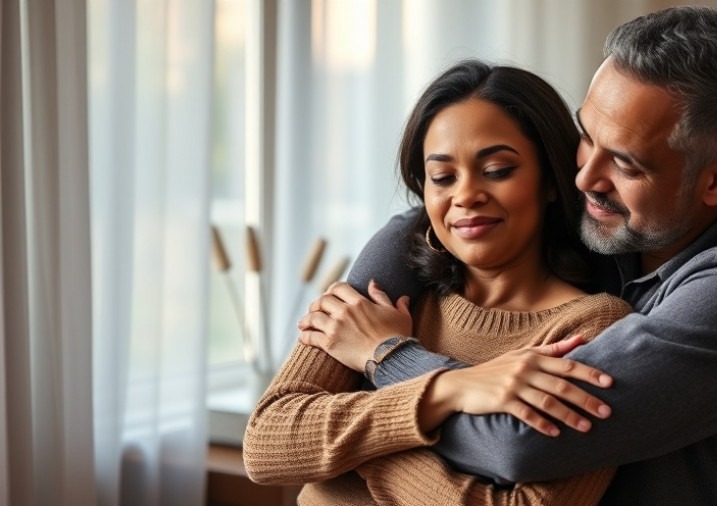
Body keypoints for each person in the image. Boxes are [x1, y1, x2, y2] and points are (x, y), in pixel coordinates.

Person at [308, 5, 717, 505]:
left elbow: (518, 444)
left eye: (627, 164)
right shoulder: (619, 221)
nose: (586, 176)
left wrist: (386, 362)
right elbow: (274, 434)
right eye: (586, 135)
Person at [243, 59, 633, 505]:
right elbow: (267, 442)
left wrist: (370, 445)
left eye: (498, 170)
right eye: (443, 177)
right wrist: (450, 388)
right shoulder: (387, 293)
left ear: (551, 181)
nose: (465, 195)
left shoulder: (592, 328)